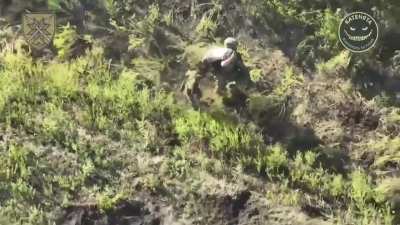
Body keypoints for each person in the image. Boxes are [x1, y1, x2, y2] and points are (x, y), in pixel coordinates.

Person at [181, 37, 251, 107]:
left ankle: (197, 93)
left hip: (208, 64)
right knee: (225, 80)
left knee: (202, 78)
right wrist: (247, 78)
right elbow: (240, 67)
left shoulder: (216, 50)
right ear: (234, 46)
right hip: (218, 67)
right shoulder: (232, 53)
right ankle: (219, 98)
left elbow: (206, 60)